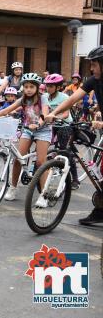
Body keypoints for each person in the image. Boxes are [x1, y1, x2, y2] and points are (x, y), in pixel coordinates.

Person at [45, 45, 103, 225]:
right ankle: (100, 210)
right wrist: (54, 113)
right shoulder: (93, 81)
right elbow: (72, 99)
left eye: (94, 65)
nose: (91, 69)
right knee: (100, 172)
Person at [0, 73, 50, 204]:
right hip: (28, 130)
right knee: (18, 158)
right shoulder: (23, 99)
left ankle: (44, 195)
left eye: (31, 87)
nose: (28, 89)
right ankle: (13, 188)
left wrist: (39, 124)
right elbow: (7, 110)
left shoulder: (43, 98)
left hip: (43, 131)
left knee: (41, 163)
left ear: (36, 87)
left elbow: (45, 114)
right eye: (26, 86)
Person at [43, 74, 79, 190]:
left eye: (51, 86)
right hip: (51, 125)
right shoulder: (45, 96)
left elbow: (66, 114)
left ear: (58, 87)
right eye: (47, 86)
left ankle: (75, 179)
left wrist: (56, 117)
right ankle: (38, 173)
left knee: (65, 152)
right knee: (42, 147)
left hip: (65, 125)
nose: (48, 88)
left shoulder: (63, 97)